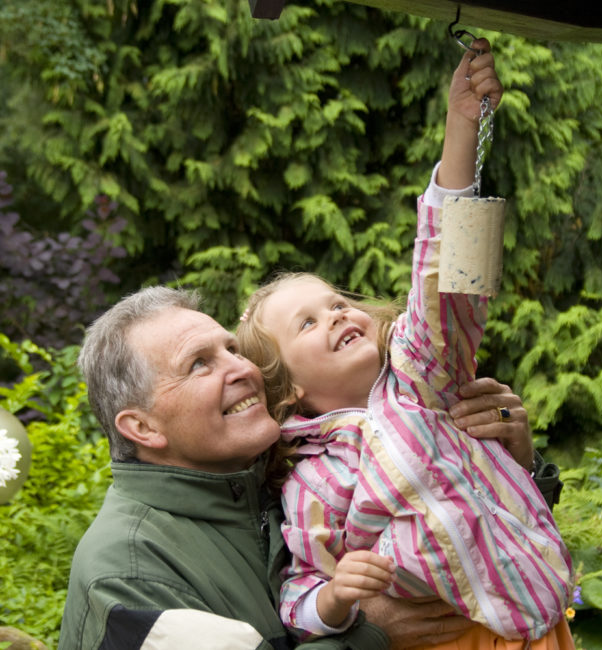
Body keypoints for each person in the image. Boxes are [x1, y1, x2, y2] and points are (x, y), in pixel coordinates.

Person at [236, 40, 574, 648]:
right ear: (290, 394)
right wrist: (339, 598)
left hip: (537, 624)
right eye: (306, 324)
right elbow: (300, 594)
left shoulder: (423, 379)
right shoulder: (310, 480)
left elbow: (452, 284)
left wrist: (461, 128)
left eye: (336, 302)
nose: (337, 314)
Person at [58, 286, 552, 650]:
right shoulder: (126, 575)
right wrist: (365, 633)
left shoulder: (290, 474)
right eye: (199, 364)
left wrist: (510, 460)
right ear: (142, 428)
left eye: (231, 348)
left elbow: (448, 528)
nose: (243, 368)